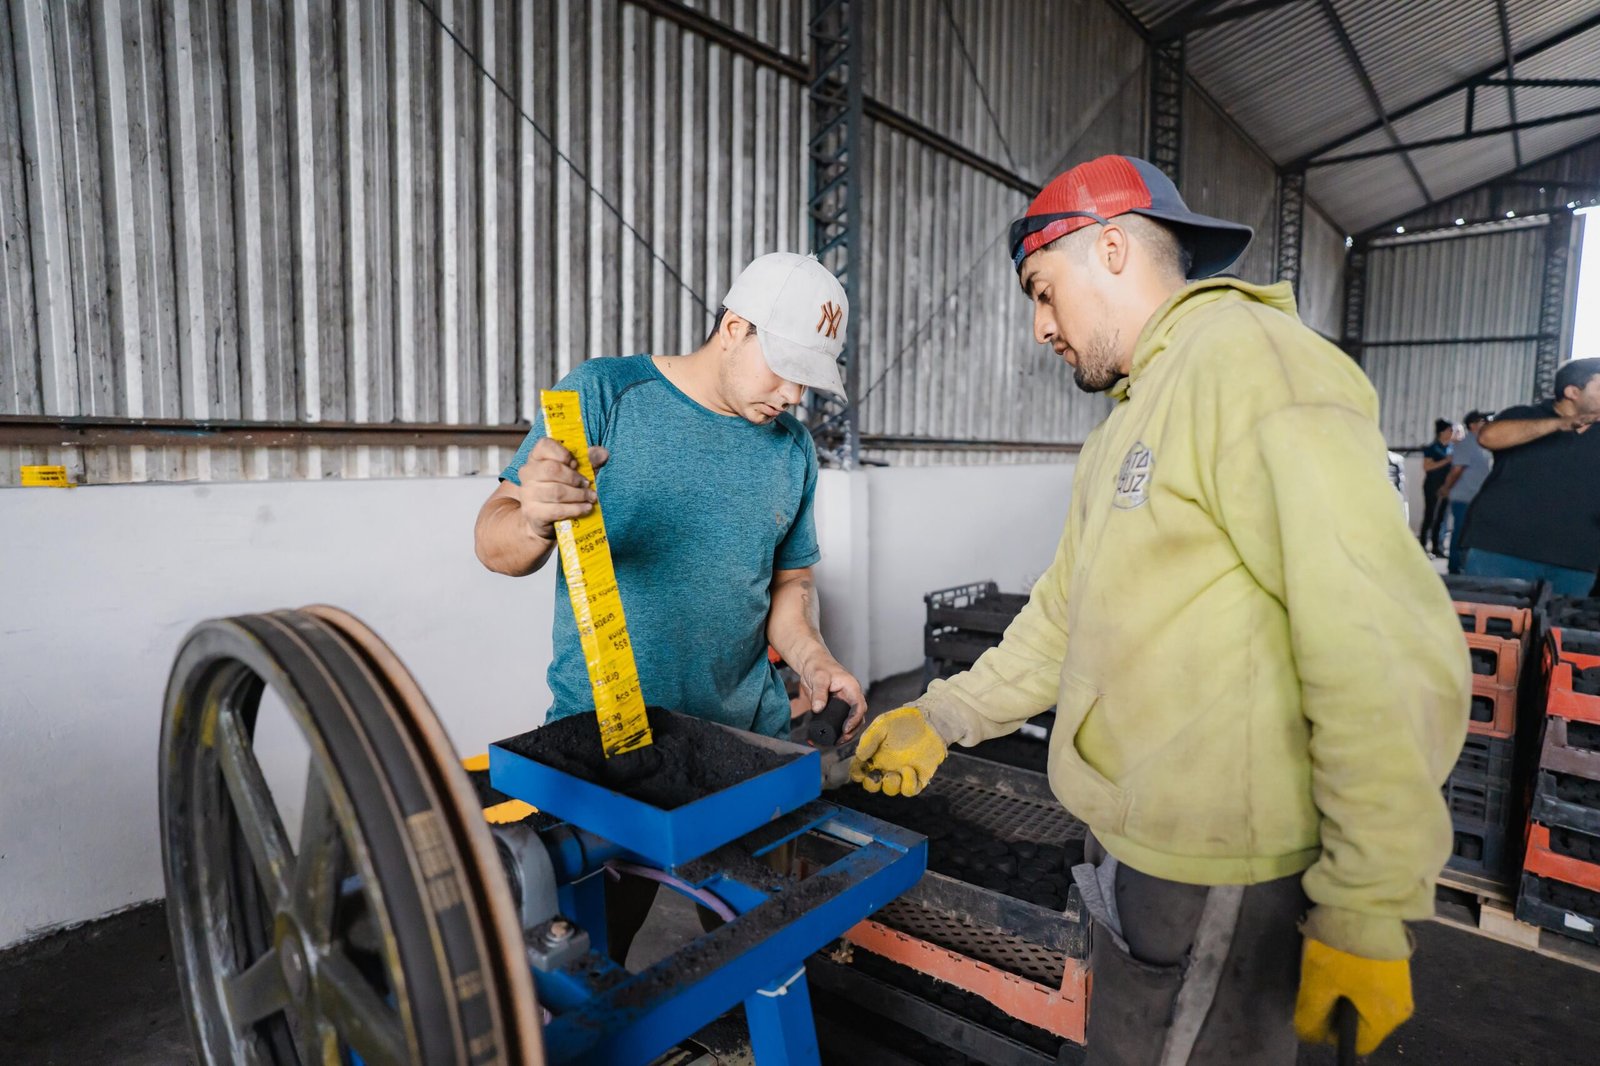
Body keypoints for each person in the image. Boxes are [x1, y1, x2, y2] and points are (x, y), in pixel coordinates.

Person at [849, 155, 1469, 1064]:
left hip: (1226, 873)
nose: (1038, 327)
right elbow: (1063, 617)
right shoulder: (1131, 419)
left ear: (1108, 249)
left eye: (1042, 290)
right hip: (1137, 849)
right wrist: (943, 714)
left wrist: (1369, 898)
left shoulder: (1257, 372)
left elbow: (1378, 643)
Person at [475, 252, 868, 962]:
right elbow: (493, 540)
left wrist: (814, 659)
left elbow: (789, 588)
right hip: (611, 747)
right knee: (591, 959)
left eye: (807, 380)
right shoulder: (606, 395)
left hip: (745, 748)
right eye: (780, 367)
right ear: (733, 325)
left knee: (762, 951)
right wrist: (532, 517)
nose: (790, 395)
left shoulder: (791, 449)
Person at [1461, 358, 1600, 595]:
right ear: (1573, 392)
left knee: (1558, 631)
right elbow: (1488, 437)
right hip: (1501, 551)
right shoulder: (1524, 415)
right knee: (1492, 626)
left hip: (1576, 561)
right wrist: (1561, 424)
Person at [1440, 410, 1492, 575]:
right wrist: (1446, 488)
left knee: (1471, 534)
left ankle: (1466, 566)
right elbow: (1457, 470)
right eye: (1483, 421)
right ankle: (1455, 568)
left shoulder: (1484, 445)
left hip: (1476, 497)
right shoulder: (1465, 444)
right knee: (1461, 532)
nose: (1487, 424)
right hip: (1464, 497)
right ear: (1472, 425)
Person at [1418, 418, 1455, 557]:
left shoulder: (1451, 448)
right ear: (1442, 432)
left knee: (1441, 517)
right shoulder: (1432, 448)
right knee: (1430, 515)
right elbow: (1427, 466)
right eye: (1449, 430)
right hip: (1432, 485)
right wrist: (1446, 461)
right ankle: (1422, 545)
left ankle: (1436, 546)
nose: (1451, 433)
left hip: (1446, 486)